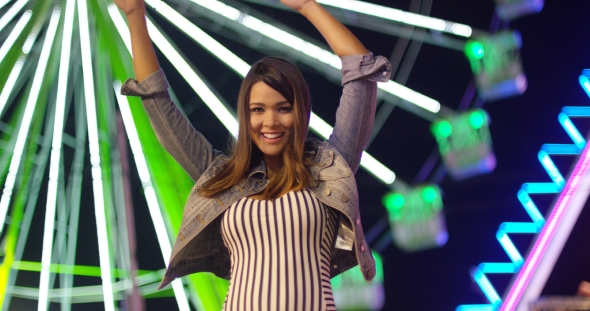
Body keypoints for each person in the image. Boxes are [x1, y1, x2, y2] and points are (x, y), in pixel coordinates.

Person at [115, 0, 391, 309]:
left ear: (300, 112)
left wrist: (307, 6)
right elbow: (158, 104)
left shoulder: (331, 167)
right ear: (245, 117)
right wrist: (135, 14)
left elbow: (362, 73)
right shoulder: (220, 176)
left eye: (283, 109)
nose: (270, 122)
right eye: (257, 110)